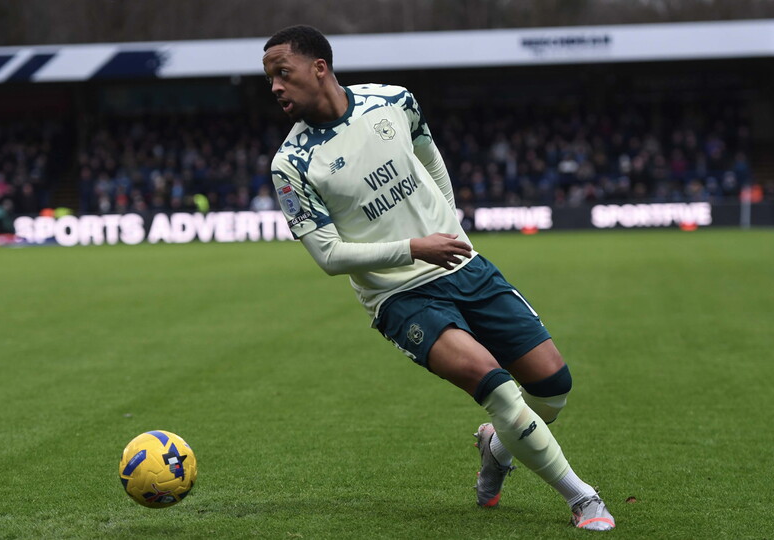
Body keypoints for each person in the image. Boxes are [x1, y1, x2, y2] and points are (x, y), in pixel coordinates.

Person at [263, 25, 615, 531]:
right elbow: (328, 255)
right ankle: (583, 499)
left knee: (553, 387)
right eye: (269, 78)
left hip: (461, 263)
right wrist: (413, 247)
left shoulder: (393, 101)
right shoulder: (291, 163)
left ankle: (496, 446)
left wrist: (448, 223)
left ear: (319, 68)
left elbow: (429, 155)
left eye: (282, 73)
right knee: (501, 392)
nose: (274, 86)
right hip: (398, 295)